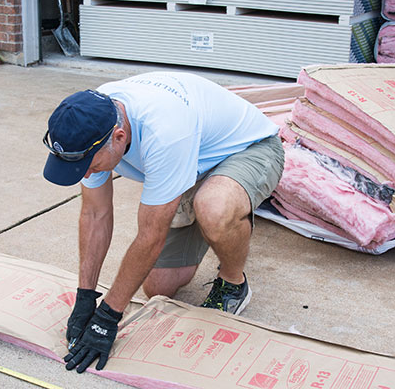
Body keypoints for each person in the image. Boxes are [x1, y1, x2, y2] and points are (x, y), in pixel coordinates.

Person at [42, 71, 284, 373]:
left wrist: (107, 317)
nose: (87, 175)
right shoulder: (93, 123)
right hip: (190, 165)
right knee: (158, 287)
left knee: (214, 209)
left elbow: (150, 237)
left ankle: (234, 281)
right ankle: (215, 211)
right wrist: (85, 296)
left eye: (88, 166)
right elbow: (95, 214)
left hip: (250, 150)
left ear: (119, 138)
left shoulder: (165, 131)